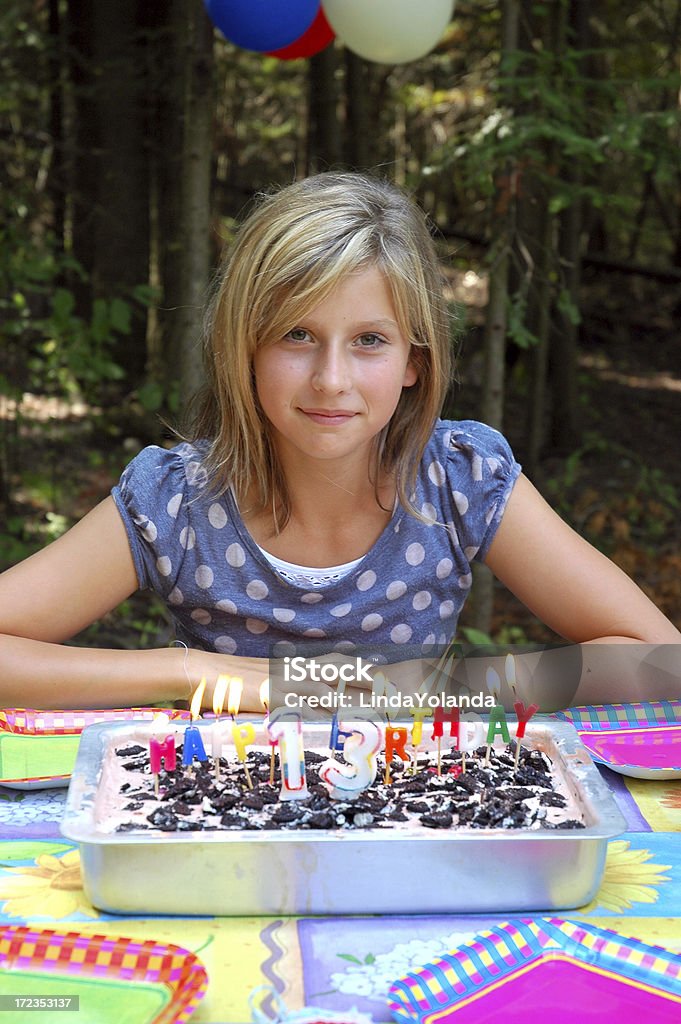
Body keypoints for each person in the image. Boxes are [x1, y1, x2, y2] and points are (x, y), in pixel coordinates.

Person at [0, 172, 678, 714]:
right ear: (246, 348)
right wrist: (192, 671)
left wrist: (435, 690)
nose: (331, 380)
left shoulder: (458, 479)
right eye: (297, 335)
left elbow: (658, 657)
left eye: (369, 341)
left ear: (415, 360)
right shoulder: (176, 499)